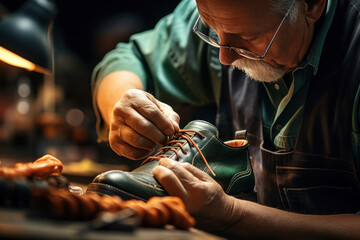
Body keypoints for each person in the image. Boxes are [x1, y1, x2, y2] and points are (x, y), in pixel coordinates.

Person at [91, 0, 360, 238]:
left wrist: (233, 216)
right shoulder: (224, 13)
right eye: (211, 28)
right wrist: (124, 103)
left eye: (248, 35)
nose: (224, 57)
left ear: (312, 5)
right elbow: (128, 59)